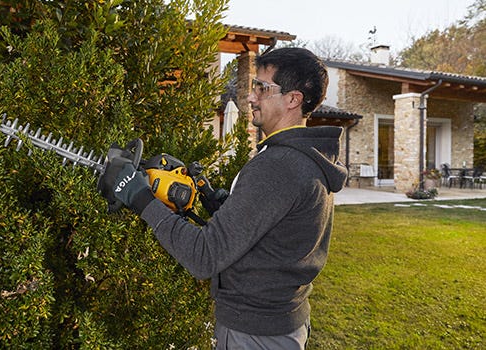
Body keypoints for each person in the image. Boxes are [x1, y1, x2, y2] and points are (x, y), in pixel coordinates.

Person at [105, 47, 347, 349]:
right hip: (280, 322)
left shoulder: (279, 167)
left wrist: (139, 196)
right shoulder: (303, 159)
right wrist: (223, 206)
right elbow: (276, 232)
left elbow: (203, 256)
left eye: (262, 87)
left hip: (256, 333)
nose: (251, 97)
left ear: (292, 99)